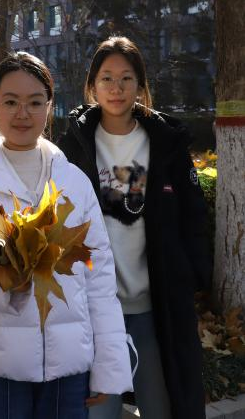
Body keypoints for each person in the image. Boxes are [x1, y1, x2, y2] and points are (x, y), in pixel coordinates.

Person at [0, 52, 132, 419]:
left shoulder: (73, 182)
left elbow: (99, 279)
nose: (22, 114)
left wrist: (108, 365)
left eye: (34, 102)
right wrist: (3, 285)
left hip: (67, 368)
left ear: (49, 106)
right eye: (10, 102)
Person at [57, 36, 211, 419]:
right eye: (107, 78)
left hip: (153, 308)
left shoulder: (165, 143)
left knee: (163, 406)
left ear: (140, 85)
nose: (117, 88)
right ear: (92, 86)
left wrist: (189, 277)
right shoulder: (73, 147)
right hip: (94, 310)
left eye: (126, 78)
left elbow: (193, 218)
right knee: (99, 412)